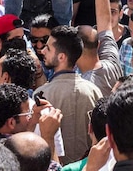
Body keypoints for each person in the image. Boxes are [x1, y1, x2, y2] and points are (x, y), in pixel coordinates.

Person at [37, 25, 103, 164]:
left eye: (48, 48)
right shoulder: (94, 91)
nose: (42, 51)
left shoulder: (41, 95)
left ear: (61, 57)